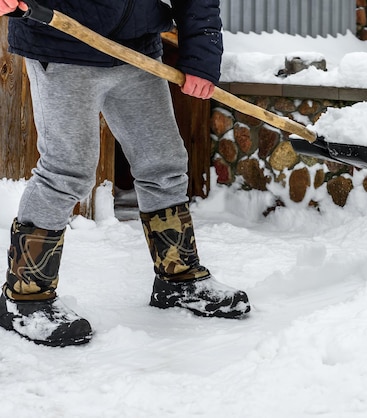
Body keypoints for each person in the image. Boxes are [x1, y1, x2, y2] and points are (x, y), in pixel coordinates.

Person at [0, 0, 250, 347]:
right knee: (66, 170)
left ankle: (178, 279)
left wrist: (202, 58)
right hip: (60, 43)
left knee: (164, 166)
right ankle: (25, 298)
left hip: (138, 51)